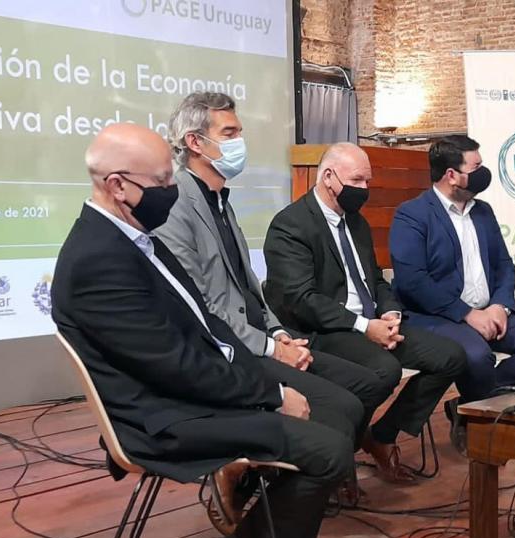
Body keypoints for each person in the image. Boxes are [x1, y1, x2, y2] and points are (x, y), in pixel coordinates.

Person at [52, 123, 351, 538]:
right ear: (118, 185)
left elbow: (206, 323)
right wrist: (273, 395)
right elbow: (176, 369)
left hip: (193, 386)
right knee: (328, 450)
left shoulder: (134, 237)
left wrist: (261, 368)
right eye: (163, 181)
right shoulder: (97, 261)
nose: (172, 192)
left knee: (337, 409)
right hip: (163, 418)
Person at [156, 92, 385, 504]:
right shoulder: (176, 205)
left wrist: (278, 334)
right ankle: (273, 490)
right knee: (340, 408)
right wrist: (269, 347)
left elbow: (250, 290)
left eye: (239, 131)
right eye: (229, 133)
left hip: (263, 339)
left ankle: (304, 485)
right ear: (194, 143)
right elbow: (201, 307)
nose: (239, 141)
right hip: (227, 352)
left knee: (363, 387)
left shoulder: (221, 201)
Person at [263, 142, 466, 484]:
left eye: (367, 182)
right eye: (357, 180)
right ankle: (336, 457)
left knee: (451, 356)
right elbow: (302, 299)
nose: (364, 190)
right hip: (326, 330)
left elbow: (374, 279)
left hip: (372, 323)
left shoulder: (355, 222)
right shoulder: (291, 225)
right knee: (384, 371)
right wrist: (362, 325)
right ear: (328, 177)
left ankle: (381, 436)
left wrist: (389, 312)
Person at [389, 135, 515, 455]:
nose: (484, 172)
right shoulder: (412, 214)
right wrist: (467, 314)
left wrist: (500, 306)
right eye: (476, 166)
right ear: (451, 175)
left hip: (489, 310)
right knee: (477, 356)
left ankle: (470, 407)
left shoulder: (483, 211)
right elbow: (413, 281)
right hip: (438, 317)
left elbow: (504, 265)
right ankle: (486, 420)